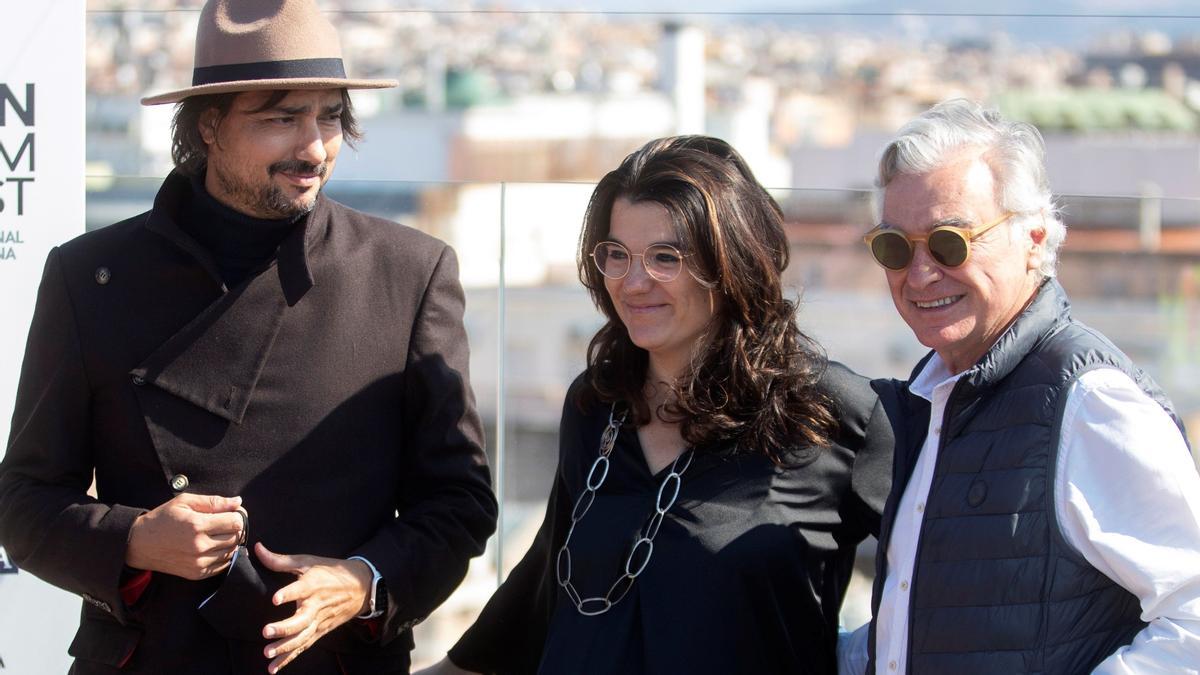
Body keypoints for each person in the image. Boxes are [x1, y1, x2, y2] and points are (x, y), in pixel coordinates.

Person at [0, 1, 497, 673]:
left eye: (329, 116)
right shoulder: (89, 277)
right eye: (281, 118)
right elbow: (24, 502)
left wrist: (363, 582)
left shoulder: (409, 272)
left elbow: (459, 502)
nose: (315, 146)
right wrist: (137, 540)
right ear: (209, 126)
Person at [417, 135, 893, 675]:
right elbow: (550, 574)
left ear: (730, 261)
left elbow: (936, 572)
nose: (633, 282)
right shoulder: (596, 402)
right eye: (616, 254)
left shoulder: (830, 412)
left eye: (666, 257)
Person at [851, 98, 1200, 674]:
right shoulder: (936, 397)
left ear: (1034, 239)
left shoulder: (1088, 402)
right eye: (894, 247)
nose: (920, 274)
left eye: (949, 242)